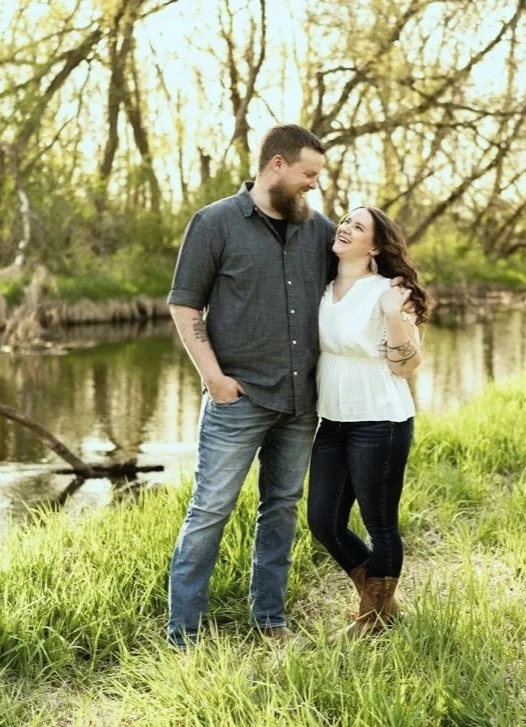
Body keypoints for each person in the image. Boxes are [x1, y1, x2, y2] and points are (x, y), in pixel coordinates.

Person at [165, 124, 335, 648]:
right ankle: (184, 633)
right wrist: (213, 379)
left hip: (301, 401)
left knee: (281, 508)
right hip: (238, 399)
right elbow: (184, 303)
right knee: (211, 509)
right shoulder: (214, 223)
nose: (313, 185)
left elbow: (355, 283)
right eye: (308, 174)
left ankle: (268, 619)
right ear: (277, 165)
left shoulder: (321, 230)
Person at [306, 206, 430, 638]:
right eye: (344, 221)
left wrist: (395, 314)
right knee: (323, 521)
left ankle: (373, 617)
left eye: (357, 226)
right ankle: (379, 600)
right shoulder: (320, 288)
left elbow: (406, 366)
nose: (344, 228)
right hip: (332, 420)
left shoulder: (389, 293)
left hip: (380, 419)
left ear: (375, 246)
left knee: (380, 523)